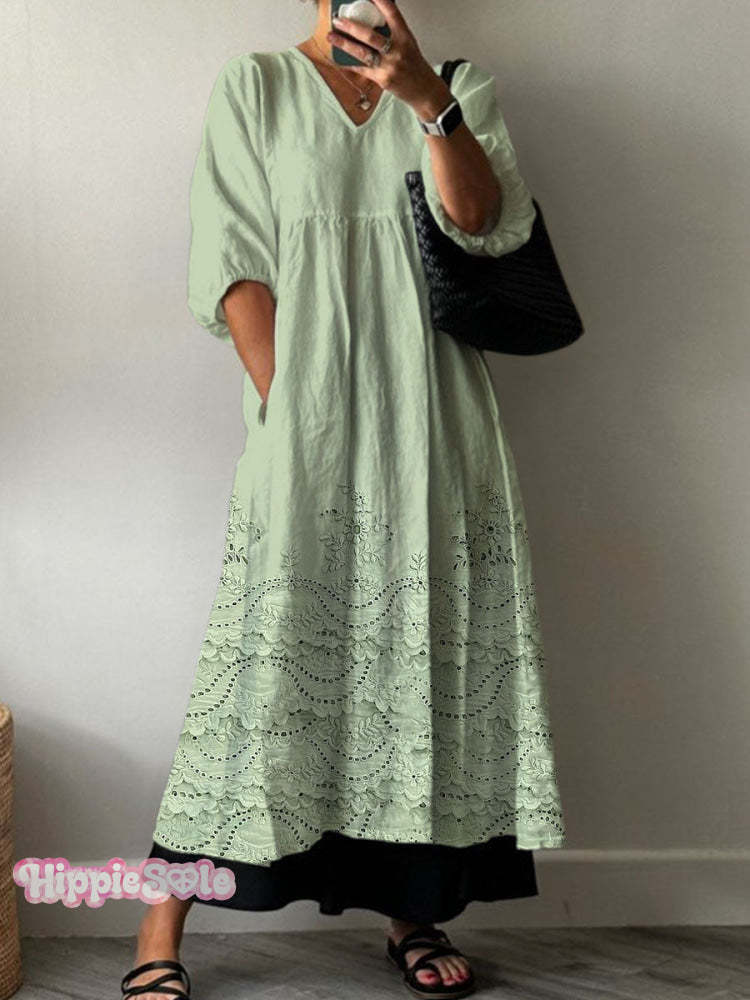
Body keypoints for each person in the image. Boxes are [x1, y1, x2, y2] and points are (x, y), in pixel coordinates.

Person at [121, 2, 566, 998]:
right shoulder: (257, 86)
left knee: (415, 665)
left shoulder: (459, 85)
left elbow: (483, 224)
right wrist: (291, 408)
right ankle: (159, 920)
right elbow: (233, 260)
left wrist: (426, 98)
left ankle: (411, 908)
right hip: (307, 426)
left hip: (435, 426)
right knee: (260, 668)